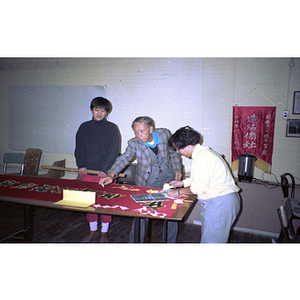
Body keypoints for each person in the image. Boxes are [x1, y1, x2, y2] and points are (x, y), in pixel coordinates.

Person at [99, 116, 182, 242]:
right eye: (136, 132)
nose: (139, 135)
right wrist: (111, 174)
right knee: (141, 215)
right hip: (147, 182)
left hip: (169, 180)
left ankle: (170, 243)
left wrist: (177, 170)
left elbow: (173, 153)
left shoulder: (165, 134)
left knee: (171, 214)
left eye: (142, 131)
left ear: (151, 129)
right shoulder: (134, 143)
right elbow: (124, 158)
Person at [167, 126, 241, 243]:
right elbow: (200, 178)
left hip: (220, 203)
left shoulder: (202, 158)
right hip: (220, 202)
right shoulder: (204, 153)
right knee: (210, 238)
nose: (178, 153)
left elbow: (198, 187)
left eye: (178, 149)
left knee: (212, 242)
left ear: (187, 146)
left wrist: (178, 192)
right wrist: (182, 183)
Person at [75, 97, 120, 242]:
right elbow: (78, 148)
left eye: (103, 110)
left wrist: (105, 170)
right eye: (96, 109)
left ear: (107, 112)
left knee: (105, 202)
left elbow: (114, 151)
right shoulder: (84, 127)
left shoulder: (112, 128)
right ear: (92, 110)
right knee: (89, 202)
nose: (99, 113)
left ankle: (104, 232)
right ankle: (92, 230)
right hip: (87, 172)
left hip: (105, 174)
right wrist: (81, 165)